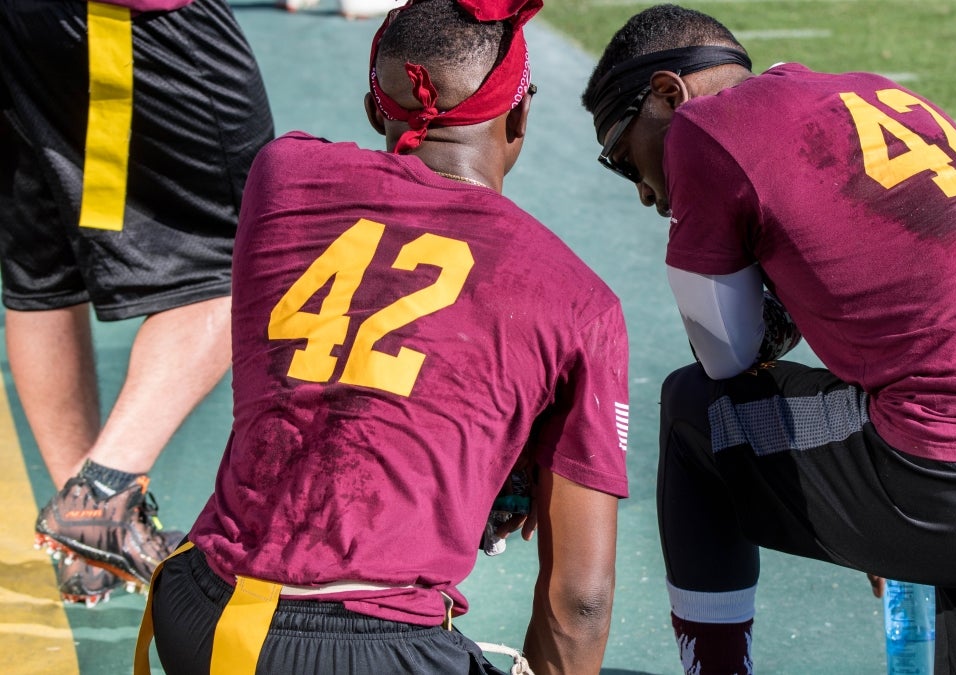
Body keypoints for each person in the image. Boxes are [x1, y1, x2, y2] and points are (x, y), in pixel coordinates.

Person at [581, 4, 956, 674]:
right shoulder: (877, 92)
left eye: (627, 159)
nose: (645, 193)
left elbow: (726, 354)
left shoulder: (705, 127)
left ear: (669, 95)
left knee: (693, 411)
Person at [136, 1, 629, 673]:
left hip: (204, 617)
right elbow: (580, 602)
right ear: (520, 117)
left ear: (376, 111)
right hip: (375, 652)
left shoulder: (282, 174)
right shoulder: (579, 299)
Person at [0, 0, 274, 607]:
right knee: (241, 253)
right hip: (125, 17)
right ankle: (98, 500)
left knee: (41, 273)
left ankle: (89, 549)